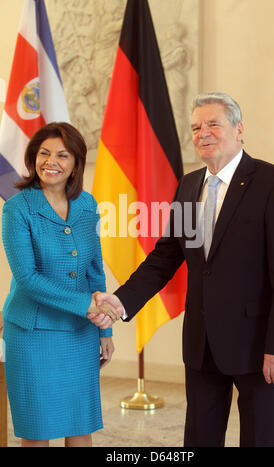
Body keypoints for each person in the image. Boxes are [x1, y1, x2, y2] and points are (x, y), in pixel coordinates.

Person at [90, 92, 274, 447]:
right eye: (196, 127)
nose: (203, 132)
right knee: (199, 439)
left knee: (262, 438)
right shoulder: (189, 185)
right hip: (202, 344)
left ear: (239, 129)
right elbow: (166, 257)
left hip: (259, 344)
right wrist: (120, 302)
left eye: (213, 124)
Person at [2, 122, 114, 447]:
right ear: (33, 158)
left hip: (81, 332)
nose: (51, 161)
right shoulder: (17, 208)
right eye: (44, 153)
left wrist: (104, 329)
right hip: (32, 334)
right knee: (38, 429)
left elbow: (94, 268)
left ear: (76, 163)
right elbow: (27, 279)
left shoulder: (87, 204)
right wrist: (87, 307)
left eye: (62, 155)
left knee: (80, 426)